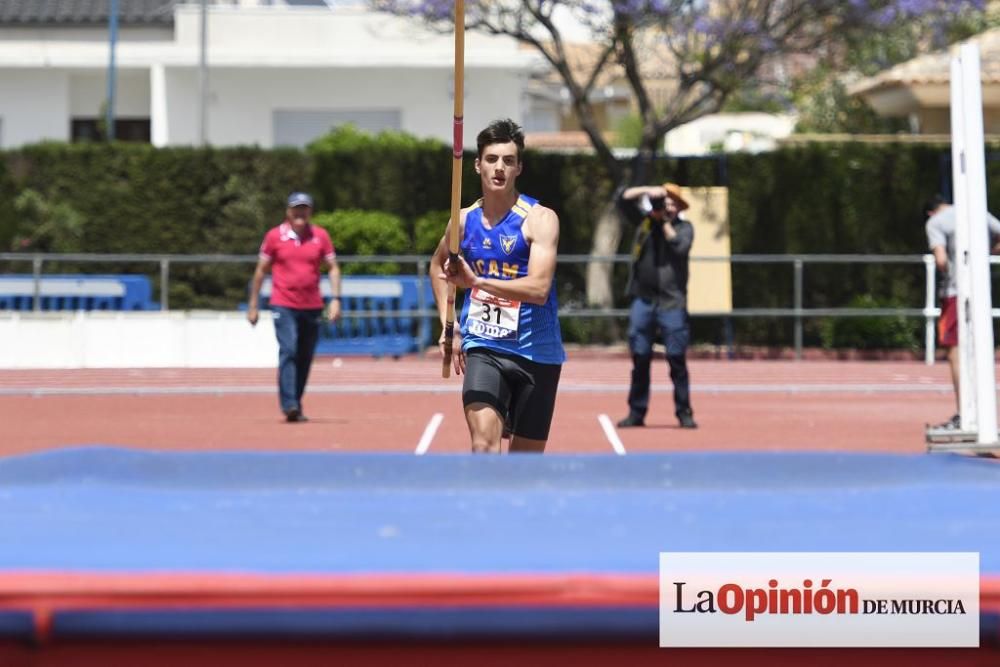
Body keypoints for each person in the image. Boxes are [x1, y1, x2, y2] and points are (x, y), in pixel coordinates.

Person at [430, 118, 565, 454]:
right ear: (477, 166)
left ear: (519, 167)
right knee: (484, 444)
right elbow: (436, 267)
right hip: (484, 347)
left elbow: (539, 288)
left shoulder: (539, 219)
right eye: (492, 159)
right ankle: (483, 506)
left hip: (537, 353)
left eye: (508, 160)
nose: (499, 168)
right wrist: (451, 325)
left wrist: (478, 282)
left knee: (525, 461)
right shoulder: (461, 221)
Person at [248, 192, 341, 423]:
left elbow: (333, 268)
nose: (300, 213)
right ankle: (289, 403)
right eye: (296, 208)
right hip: (283, 303)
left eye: (305, 208)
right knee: (289, 350)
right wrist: (253, 304)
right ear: (288, 212)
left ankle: (295, 404)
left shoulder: (320, 236)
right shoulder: (273, 237)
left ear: (310, 211)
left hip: (312, 305)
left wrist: (336, 299)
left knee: (305, 355)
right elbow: (261, 271)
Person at [616, 182, 697, 429]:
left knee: (676, 359)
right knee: (640, 358)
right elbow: (621, 199)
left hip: (672, 303)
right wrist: (648, 192)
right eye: (665, 200)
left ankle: (684, 412)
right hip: (643, 300)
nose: (667, 205)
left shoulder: (684, 228)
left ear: (679, 207)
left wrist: (663, 221)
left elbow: (680, 248)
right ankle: (636, 412)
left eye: (672, 201)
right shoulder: (645, 223)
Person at [924, 194, 1000, 430]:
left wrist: (950, 271)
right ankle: (981, 412)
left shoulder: (935, 223)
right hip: (980, 291)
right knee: (979, 349)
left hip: (956, 291)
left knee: (955, 350)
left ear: (930, 212)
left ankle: (965, 414)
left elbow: (941, 259)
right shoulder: (977, 211)